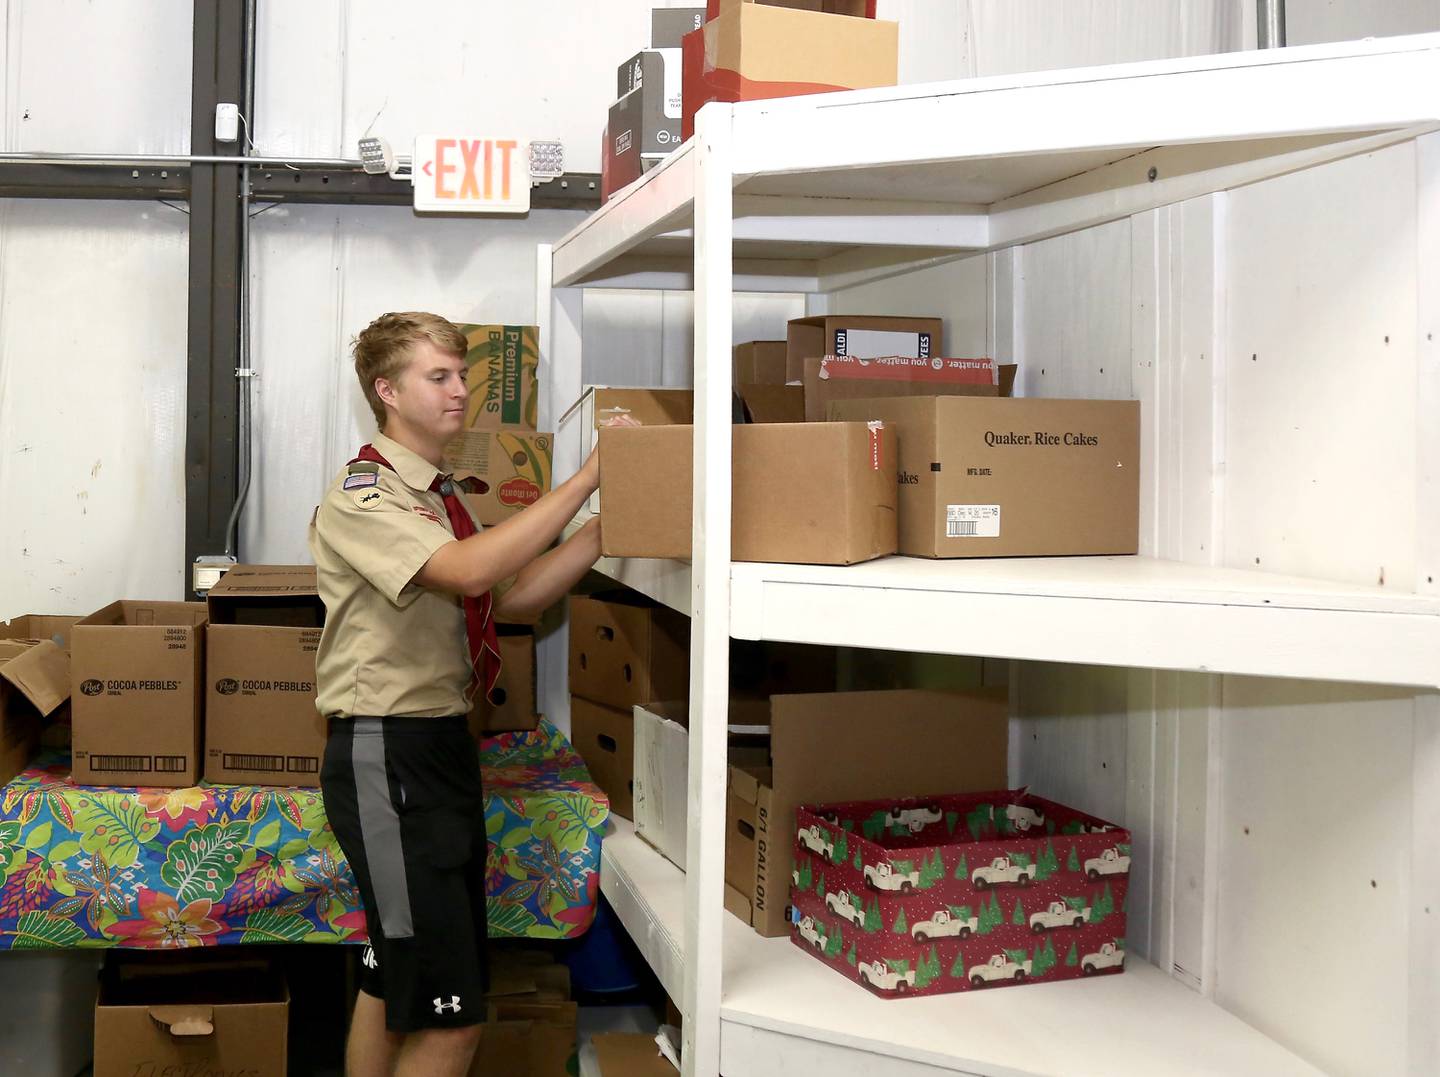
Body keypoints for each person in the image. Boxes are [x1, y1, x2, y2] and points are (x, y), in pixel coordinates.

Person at [310, 311, 620, 1077]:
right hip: (391, 755)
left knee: (391, 979)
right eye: (438, 376)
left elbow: (509, 599)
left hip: (435, 748)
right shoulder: (364, 492)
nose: (461, 391)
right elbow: (467, 573)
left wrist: (605, 526)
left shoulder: (441, 496)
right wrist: (584, 477)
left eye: (463, 373)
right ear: (386, 390)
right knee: (454, 1018)